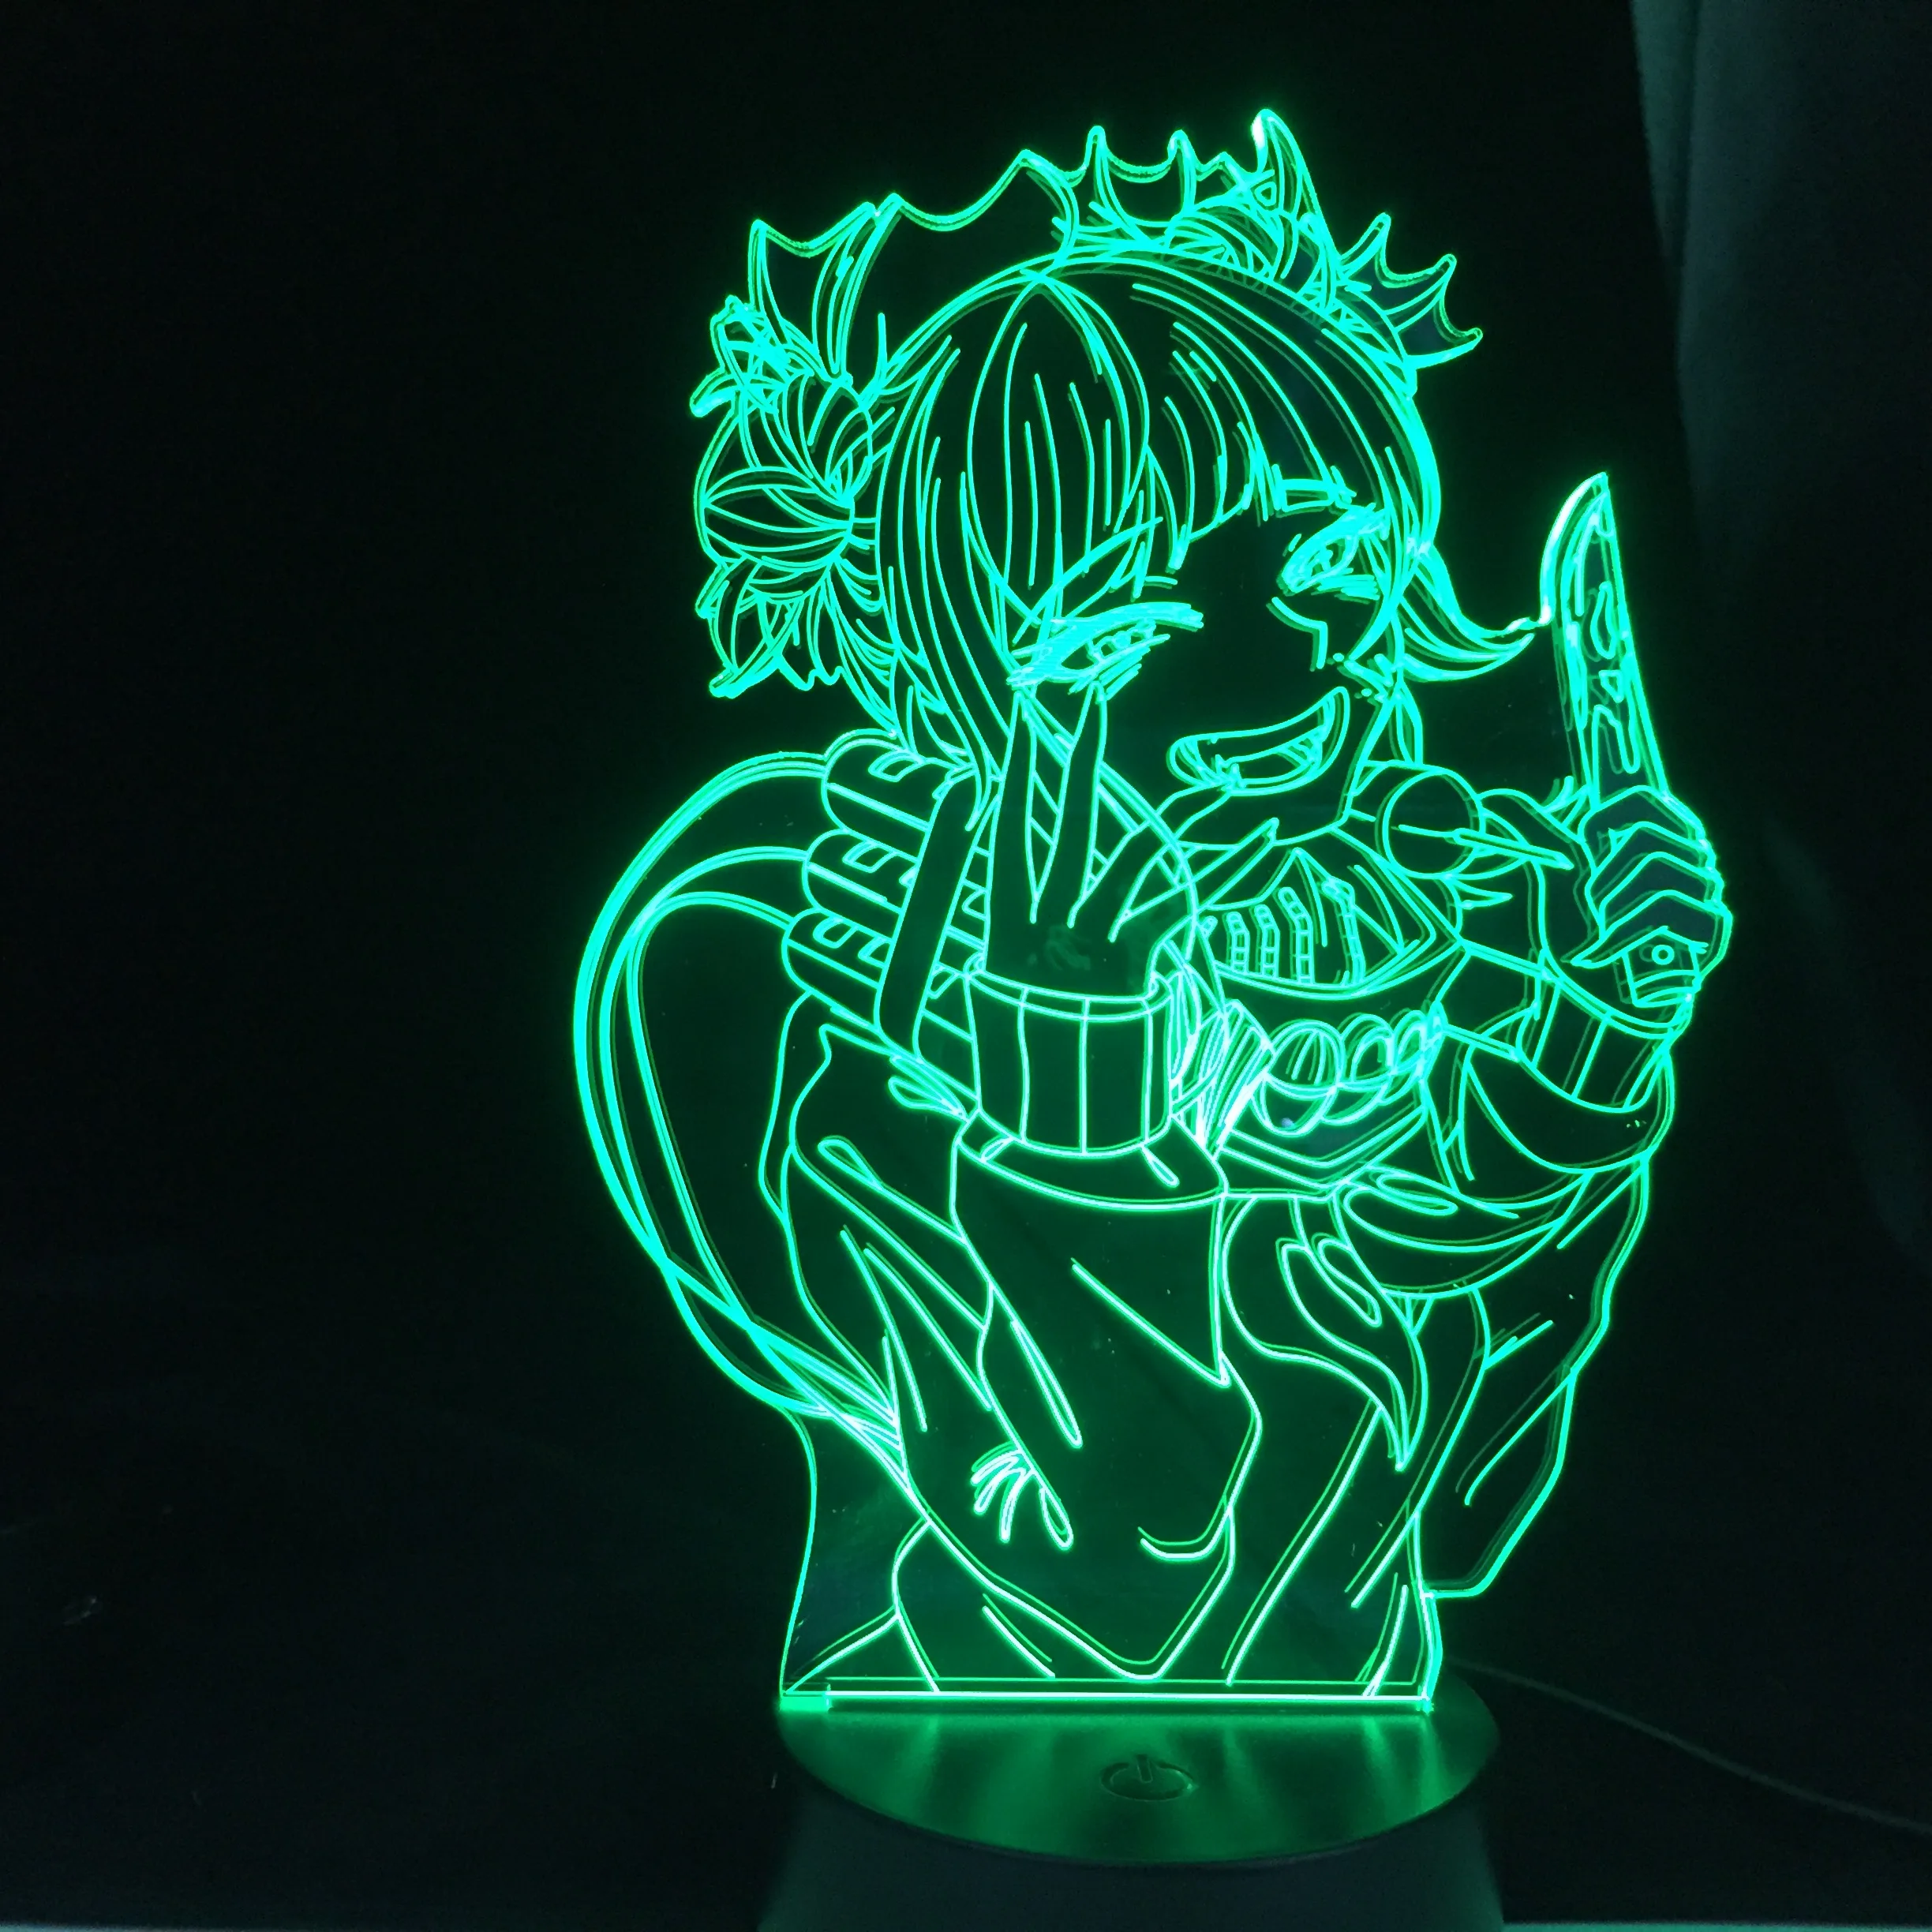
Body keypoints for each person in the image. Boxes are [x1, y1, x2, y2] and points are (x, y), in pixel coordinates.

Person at [575, 112, 1729, 1699]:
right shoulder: (876, 1094)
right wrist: (1077, 1104)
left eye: (1342, 560)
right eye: (1179, 586)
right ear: (1014, 658)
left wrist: (1590, 1044)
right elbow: (1122, 1586)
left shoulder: (1347, 995)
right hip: (962, 1735)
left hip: (1342, 1766)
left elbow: (1452, 1504)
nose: (1326, 637)